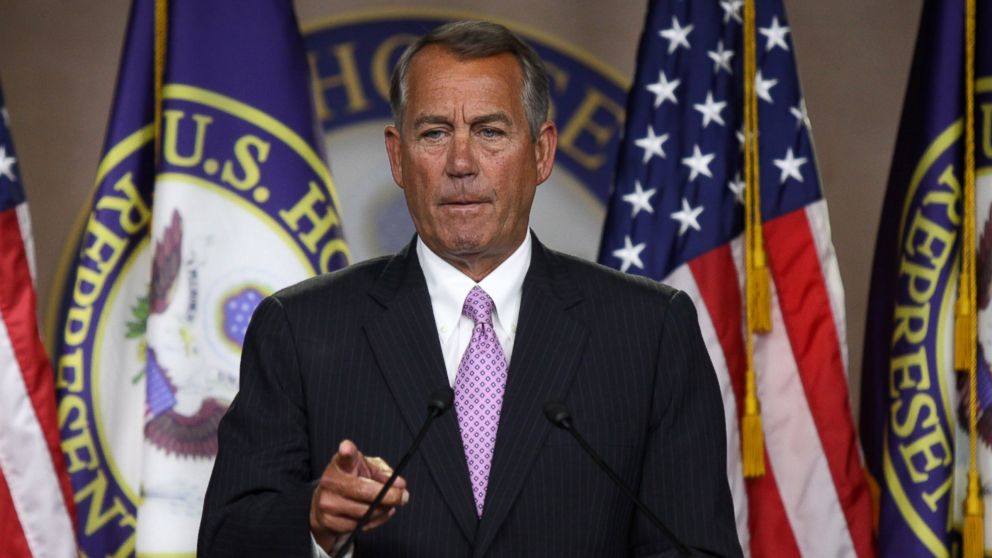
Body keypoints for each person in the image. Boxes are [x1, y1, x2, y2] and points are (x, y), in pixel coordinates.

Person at [198, 20, 742, 558]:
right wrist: (315, 522)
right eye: (434, 133)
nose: (461, 164)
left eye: (490, 132)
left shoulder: (648, 330)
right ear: (398, 157)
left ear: (541, 152)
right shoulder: (299, 329)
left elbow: (693, 547)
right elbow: (226, 542)